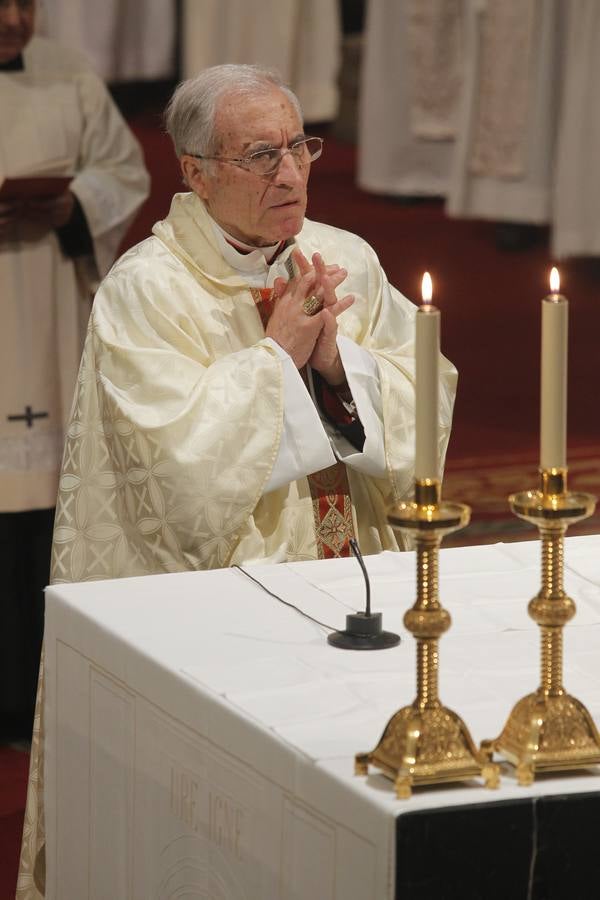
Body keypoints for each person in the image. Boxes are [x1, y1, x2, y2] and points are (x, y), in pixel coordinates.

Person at [18, 64, 456, 898]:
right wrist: (277, 359)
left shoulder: (344, 258)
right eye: (260, 155)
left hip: (355, 586)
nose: (290, 173)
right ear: (193, 169)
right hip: (219, 609)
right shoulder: (148, 291)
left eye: (299, 146)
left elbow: (424, 411)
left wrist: (337, 363)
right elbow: (171, 470)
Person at [0, 0, 149, 747]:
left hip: (50, 309)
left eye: (26, 2)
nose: (14, 19)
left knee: (43, 519)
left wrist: (69, 206)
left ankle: (34, 688)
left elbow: (123, 171)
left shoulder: (69, 71)